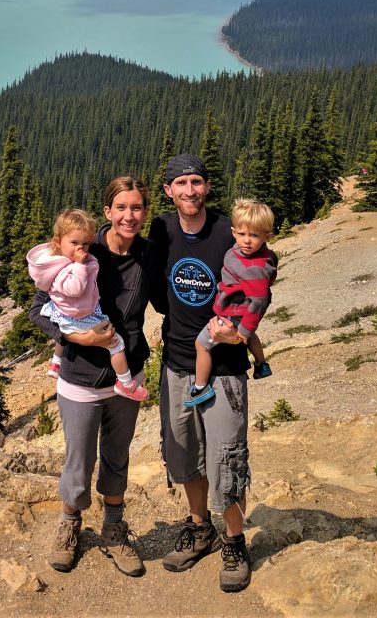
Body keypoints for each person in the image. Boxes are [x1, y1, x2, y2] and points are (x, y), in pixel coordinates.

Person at [30, 176, 156, 577]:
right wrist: (74, 334)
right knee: (78, 462)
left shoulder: (149, 255)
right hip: (80, 378)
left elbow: (172, 300)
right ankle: (70, 525)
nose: (129, 216)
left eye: (136, 208)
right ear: (108, 212)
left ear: (145, 212)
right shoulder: (83, 247)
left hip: (125, 376)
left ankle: (114, 531)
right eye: (121, 207)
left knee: (116, 459)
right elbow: (38, 308)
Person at [148, 153, 252, 593]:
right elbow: (153, 288)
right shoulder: (161, 230)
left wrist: (241, 333)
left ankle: (234, 541)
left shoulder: (228, 233)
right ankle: (200, 526)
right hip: (175, 363)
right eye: (180, 183)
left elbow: (256, 286)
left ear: (206, 187)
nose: (189, 190)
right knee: (184, 453)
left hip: (224, 369)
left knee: (226, 456)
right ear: (168, 190)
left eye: (196, 181)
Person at [27, 208, 149, 402]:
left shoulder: (54, 264)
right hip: (81, 320)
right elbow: (74, 289)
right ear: (58, 241)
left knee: (63, 324)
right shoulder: (65, 268)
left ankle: (56, 362)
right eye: (74, 243)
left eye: (86, 243)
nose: (81, 249)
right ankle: (125, 383)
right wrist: (81, 266)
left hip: (67, 312)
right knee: (116, 344)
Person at [187, 198, 277, 407]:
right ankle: (262, 364)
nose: (247, 241)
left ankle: (200, 388)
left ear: (267, 236)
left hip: (233, 314)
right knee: (252, 334)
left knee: (201, 345)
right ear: (233, 232)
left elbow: (259, 302)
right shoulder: (250, 254)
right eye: (242, 234)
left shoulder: (254, 268)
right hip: (238, 310)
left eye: (254, 235)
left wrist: (242, 332)